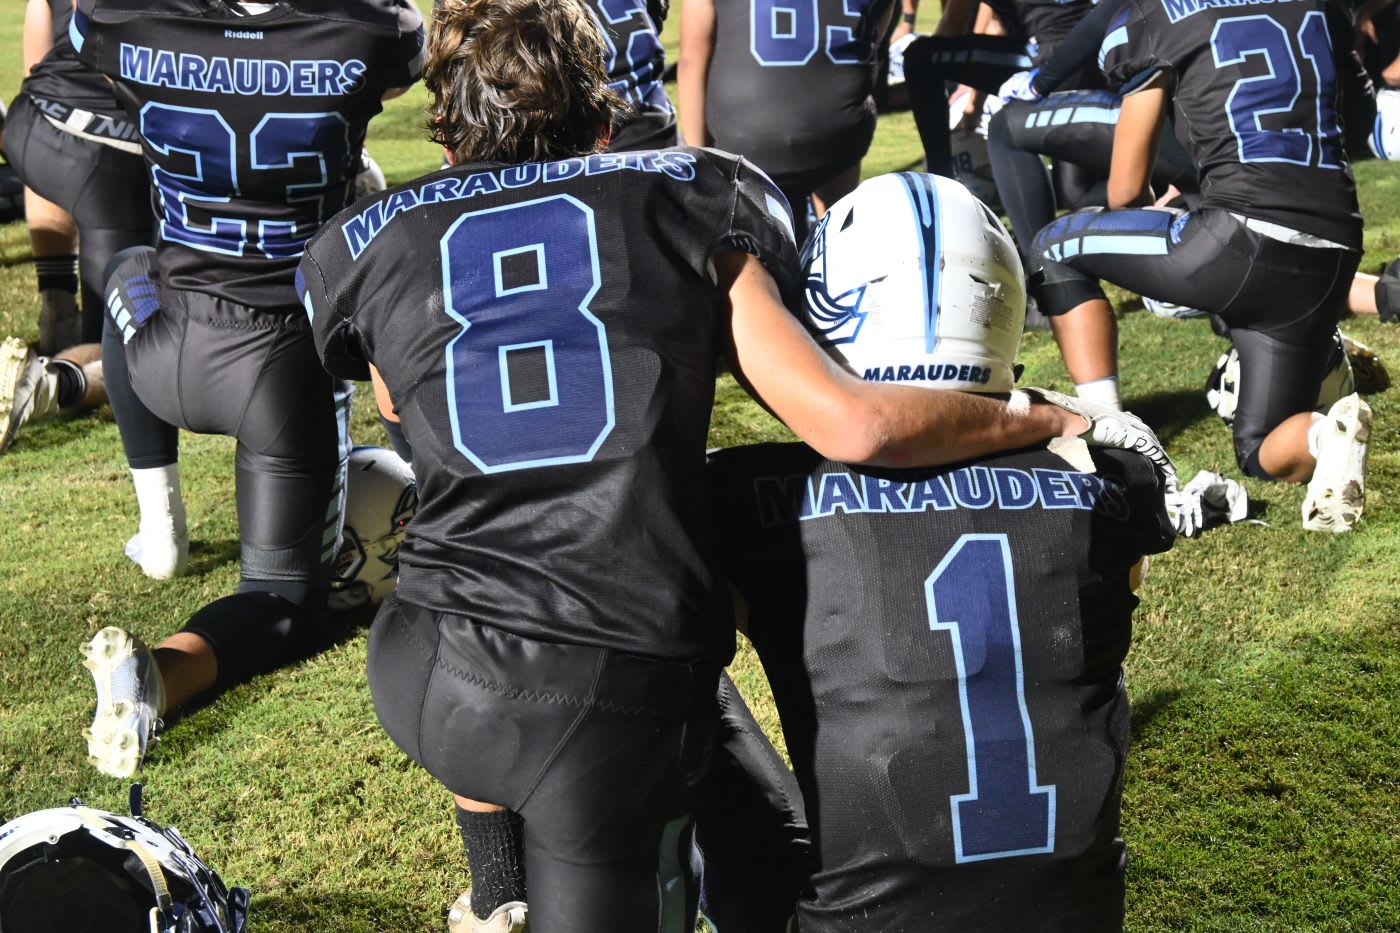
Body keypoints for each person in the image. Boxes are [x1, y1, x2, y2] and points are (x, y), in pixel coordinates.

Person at [299, 2, 1174, 930]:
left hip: (423, 661)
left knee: (518, 602)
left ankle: (497, 886)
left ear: (444, 134)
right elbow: (854, 426)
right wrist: (1035, 416)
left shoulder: (365, 240)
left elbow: (394, 400)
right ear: (603, 125)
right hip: (603, 695)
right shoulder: (687, 196)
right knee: (632, 641)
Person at [697, 172, 1175, 932]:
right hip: (1075, 916)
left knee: (668, 674)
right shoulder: (1116, 484)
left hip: (858, 921)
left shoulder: (751, 496)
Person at [67, 0, 424, 779]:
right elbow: (403, 44)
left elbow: (87, 33)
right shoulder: (370, 34)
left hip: (162, 347)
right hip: (285, 367)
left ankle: (158, 517)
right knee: (282, 598)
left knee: (126, 264)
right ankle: (162, 669)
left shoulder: (128, 27)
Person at [1028, 0, 1372, 531]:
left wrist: (1158, 217)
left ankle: (1109, 425)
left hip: (1240, 239)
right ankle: (1325, 435)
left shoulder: (1154, 15)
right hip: (1334, 245)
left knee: (1054, 243)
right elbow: (1358, 116)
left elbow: (1123, 190)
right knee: (1258, 450)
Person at [677, 0, 897, 243]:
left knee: (759, 258)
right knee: (838, 236)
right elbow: (871, 38)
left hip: (748, 140)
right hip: (838, 133)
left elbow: (690, 62)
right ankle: (839, 241)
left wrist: (700, 160)